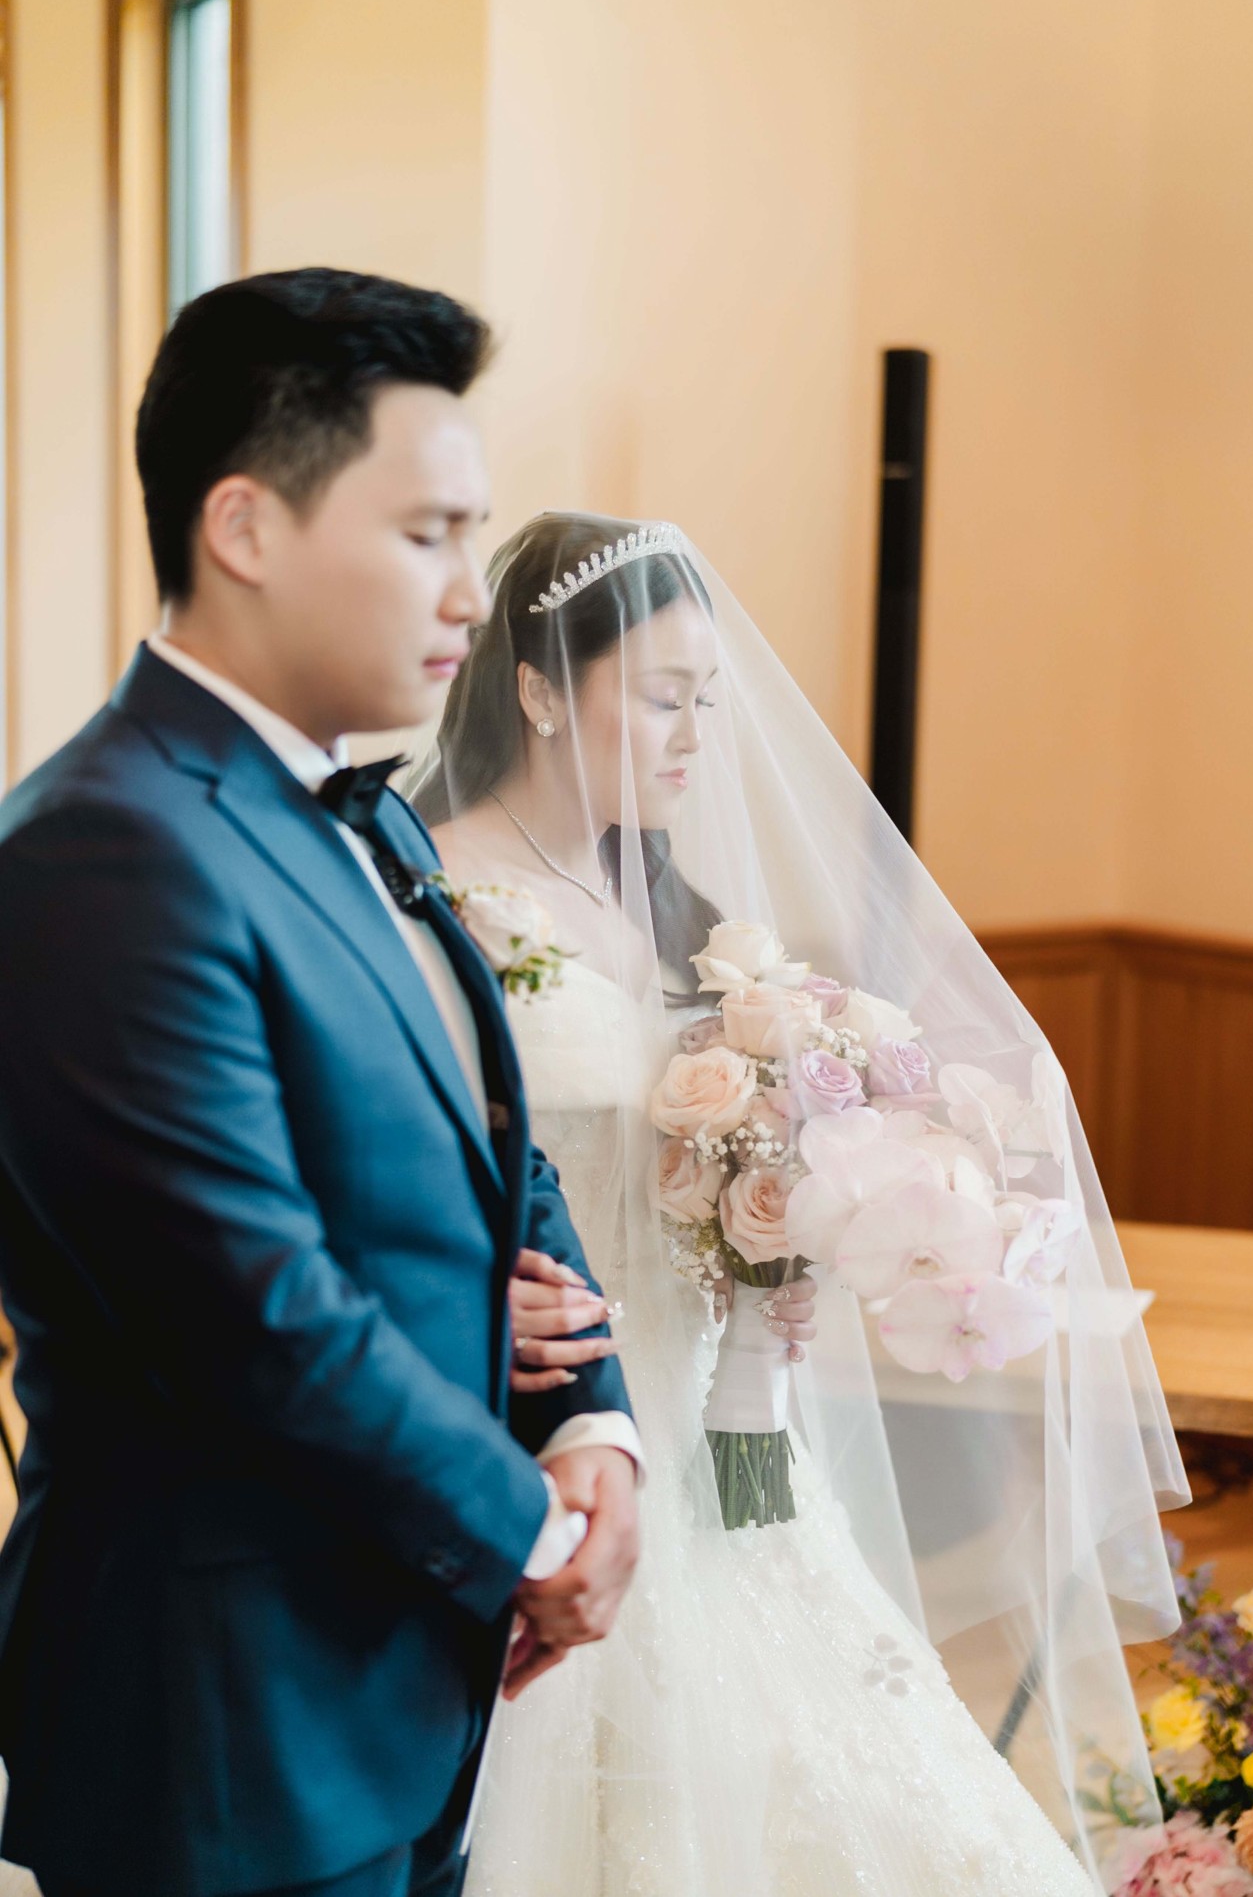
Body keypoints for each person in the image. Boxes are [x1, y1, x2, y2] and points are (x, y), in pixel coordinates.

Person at [408, 510, 1191, 1895]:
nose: (696, 736)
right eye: (662, 696)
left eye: (708, 699)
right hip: (549, 1415)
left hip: (717, 1420)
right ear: (538, 690)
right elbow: (397, 1161)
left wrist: (805, 1220)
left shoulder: (664, 902)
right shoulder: (441, 892)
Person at [0, 275, 639, 1897]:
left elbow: (501, 1156)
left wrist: (593, 1428)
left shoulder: (373, 810)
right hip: (226, 1718)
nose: (472, 595)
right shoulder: (103, 850)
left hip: (407, 1675)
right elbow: (248, 1311)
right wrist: (532, 1535)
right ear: (246, 526)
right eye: (427, 534)